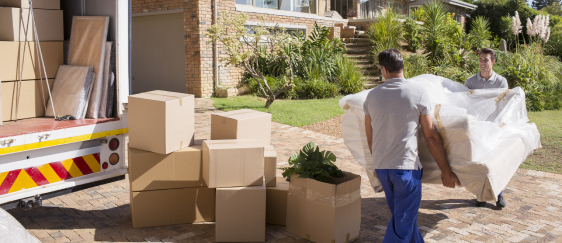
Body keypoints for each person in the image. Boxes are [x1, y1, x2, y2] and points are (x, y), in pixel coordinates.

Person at [364, 49, 461, 243]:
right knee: (402, 226)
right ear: (402, 67)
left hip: (383, 169)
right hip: (406, 171)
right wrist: (445, 170)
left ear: (383, 69)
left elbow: (370, 137)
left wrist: (377, 164)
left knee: (405, 222)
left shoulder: (371, 97)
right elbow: (431, 137)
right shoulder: (417, 93)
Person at [464, 48, 508, 208]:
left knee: (495, 161)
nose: (482, 63)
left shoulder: (501, 82)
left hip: (494, 127)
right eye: (481, 60)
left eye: (486, 60)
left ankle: (499, 194)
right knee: (480, 162)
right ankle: (481, 194)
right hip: (476, 128)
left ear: (493, 62)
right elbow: (465, 103)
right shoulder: (470, 82)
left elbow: (503, 106)